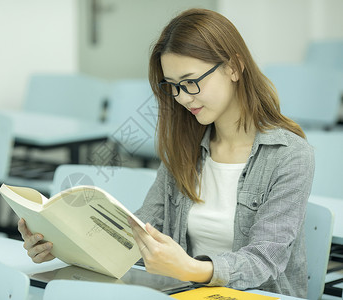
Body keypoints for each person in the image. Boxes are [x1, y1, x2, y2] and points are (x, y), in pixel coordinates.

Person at [18, 8, 314, 298]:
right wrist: (62, 242)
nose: (183, 98)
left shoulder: (290, 155)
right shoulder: (184, 146)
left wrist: (190, 268)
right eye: (173, 86)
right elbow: (144, 227)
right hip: (187, 292)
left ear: (234, 67)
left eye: (191, 82)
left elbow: (265, 260)